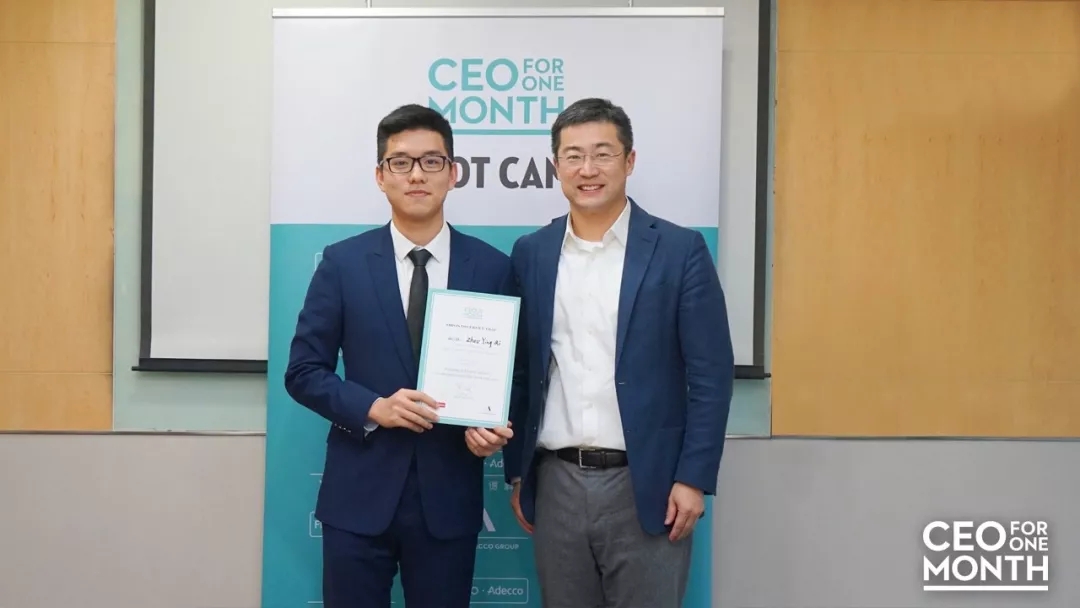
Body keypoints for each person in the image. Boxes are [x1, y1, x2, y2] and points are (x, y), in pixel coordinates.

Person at [501, 97, 735, 608]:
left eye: (603, 154)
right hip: (556, 482)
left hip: (649, 484)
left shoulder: (679, 250)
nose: (588, 169)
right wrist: (518, 471)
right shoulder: (531, 253)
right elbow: (521, 371)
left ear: (629, 161)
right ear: (556, 166)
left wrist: (692, 478)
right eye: (573, 156)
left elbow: (711, 376)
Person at [284, 103, 515, 608]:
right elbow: (302, 372)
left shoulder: (494, 268)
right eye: (401, 162)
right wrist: (374, 407)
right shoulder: (343, 263)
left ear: (454, 173)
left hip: (448, 498)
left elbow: (512, 379)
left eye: (431, 162)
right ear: (380, 176)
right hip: (357, 498)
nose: (416, 175)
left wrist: (492, 428)